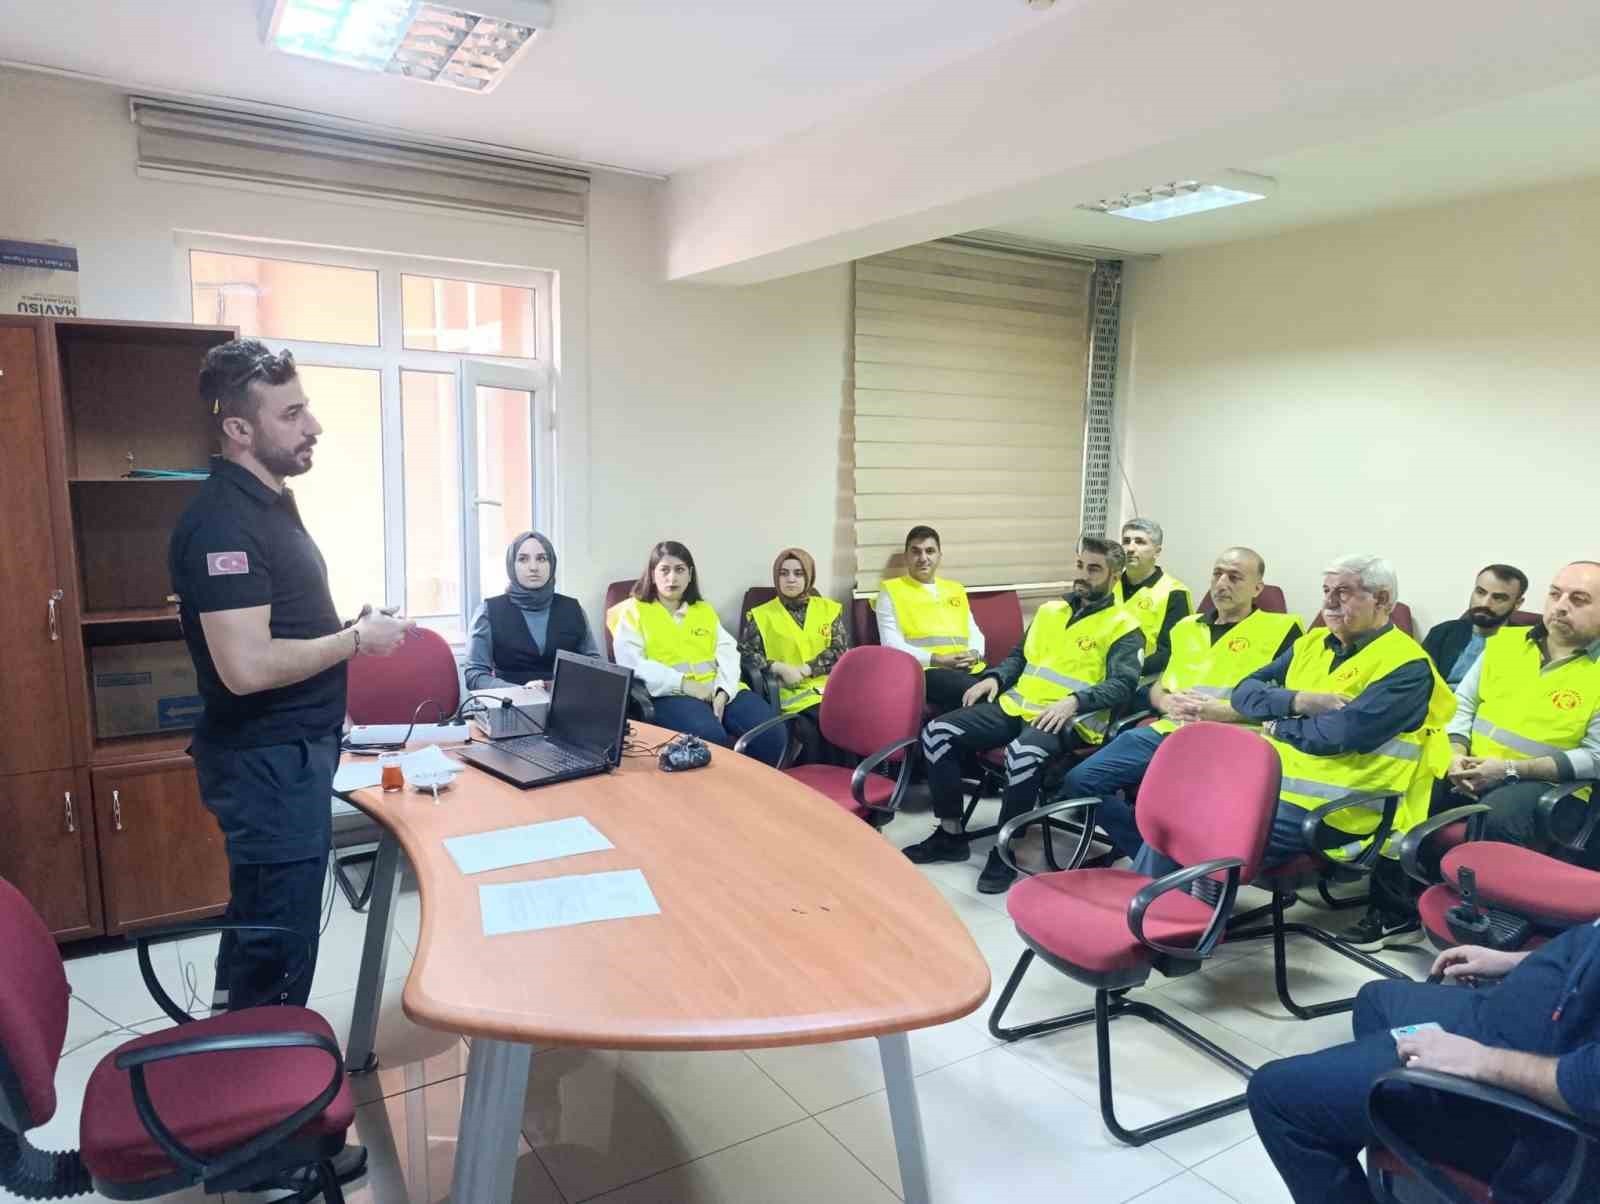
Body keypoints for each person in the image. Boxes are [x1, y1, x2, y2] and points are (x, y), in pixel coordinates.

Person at [169, 340, 409, 1183]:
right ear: (238, 427)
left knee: (261, 944)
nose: (314, 427)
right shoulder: (222, 521)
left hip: (291, 759)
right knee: (276, 953)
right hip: (267, 766)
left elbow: (278, 629)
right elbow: (245, 666)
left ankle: (236, 1119)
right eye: (292, 413)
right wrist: (356, 640)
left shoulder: (267, 504)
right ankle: (265, 1152)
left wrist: (345, 629)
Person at [1248, 930, 1600, 1203]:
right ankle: (1400, 1147)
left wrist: (1477, 1060)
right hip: (1514, 1017)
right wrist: (1516, 960)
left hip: (1530, 1099)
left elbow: (1590, 1085)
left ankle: (1420, 1128)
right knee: (1376, 1000)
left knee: (1276, 1096)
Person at [1229, 554, 1456, 951]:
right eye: (1326, 591)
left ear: (1382, 599)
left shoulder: (1407, 666)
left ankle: (1176, 926)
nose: (1329, 603)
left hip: (1342, 808)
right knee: (1181, 810)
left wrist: (1278, 723)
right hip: (1277, 788)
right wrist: (1300, 700)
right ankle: (1159, 915)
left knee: (1215, 830)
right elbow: (1244, 693)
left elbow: (1338, 734)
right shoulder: (1313, 642)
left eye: (1344, 592)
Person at [902, 537, 1141, 894]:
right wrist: (993, 679)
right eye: (1080, 565)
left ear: (1115, 575)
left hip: (1069, 719)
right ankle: (951, 835)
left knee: (1022, 755)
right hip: (1017, 704)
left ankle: (1005, 850)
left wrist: (1074, 701)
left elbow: (1123, 684)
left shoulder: (1124, 626)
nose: (1083, 575)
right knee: (937, 732)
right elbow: (1019, 656)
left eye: (1094, 569)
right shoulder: (1050, 612)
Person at [1075, 547, 1303, 871]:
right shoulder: (1186, 627)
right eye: (1217, 574)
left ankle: (1161, 872)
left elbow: (1286, 706)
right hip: (1171, 729)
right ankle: (1157, 856)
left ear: (1257, 588)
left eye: (1235, 577)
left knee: (1181, 805)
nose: (1222, 583)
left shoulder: (1283, 631)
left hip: (1231, 739)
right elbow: (1160, 683)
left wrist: (1223, 712)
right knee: (1081, 780)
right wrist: (1163, 701)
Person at [1437, 561, 1600, 862]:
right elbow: (1462, 705)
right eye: (1555, 594)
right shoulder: (1505, 643)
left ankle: (1481, 907)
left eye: (1578, 599)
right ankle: (1394, 903)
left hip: (1547, 786)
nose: (1560, 607)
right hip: (1472, 766)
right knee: (1411, 780)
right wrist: (1455, 753)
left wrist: (1508, 769)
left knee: (1496, 817)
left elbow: (1595, 757)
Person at [607, 541, 786, 766]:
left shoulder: (704, 610)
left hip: (717, 689)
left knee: (773, 734)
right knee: (710, 740)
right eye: (664, 570)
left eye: (680, 570)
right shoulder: (632, 612)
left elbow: (729, 653)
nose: (672, 578)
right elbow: (633, 664)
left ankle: (755, 791)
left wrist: (724, 691)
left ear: (690, 574)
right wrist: (684, 684)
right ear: (652, 575)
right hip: (670, 694)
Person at [738, 547, 850, 765]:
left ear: (809, 576)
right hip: (789, 692)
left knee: (848, 719)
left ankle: (850, 783)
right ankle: (816, 788)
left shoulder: (828, 609)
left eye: (798, 573)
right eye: (784, 573)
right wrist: (776, 667)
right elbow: (745, 654)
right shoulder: (762, 614)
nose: (790, 579)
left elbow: (839, 650)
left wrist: (808, 669)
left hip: (829, 689)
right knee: (818, 726)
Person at [463, 531, 600, 689]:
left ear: (552, 564)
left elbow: (595, 666)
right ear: (511, 565)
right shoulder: (489, 611)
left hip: (567, 704)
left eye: (541, 558)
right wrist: (522, 692)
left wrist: (556, 687)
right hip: (511, 706)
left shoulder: (573, 609)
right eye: (523, 559)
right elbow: (474, 675)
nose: (533, 567)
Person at [875, 525, 987, 711]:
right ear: (906, 557)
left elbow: (974, 630)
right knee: (980, 694)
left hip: (970, 667)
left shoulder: (955, 589)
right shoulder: (891, 591)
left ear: (939, 556)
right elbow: (891, 645)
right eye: (916, 552)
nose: (923, 558)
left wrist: (974, 654)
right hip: (927, 671)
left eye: (930, 551)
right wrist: (938, 660)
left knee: (1007, 688)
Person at [1422, 564, 1529, 686]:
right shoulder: (1442, 632)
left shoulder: (1526, 644)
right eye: (1480, 592)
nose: (1485, 603)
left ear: (1518, 603)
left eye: (1498, 598)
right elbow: (1421, 682)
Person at [1114, 518, 1191, 679]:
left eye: (1140, 542)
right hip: (1100, 673)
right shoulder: (1109, 585)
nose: (1130, 548)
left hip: (1145, 680)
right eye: (1126, 541)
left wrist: (1124, 669)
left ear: (1157, 551)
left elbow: (1170, 653)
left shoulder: (1174, 592)